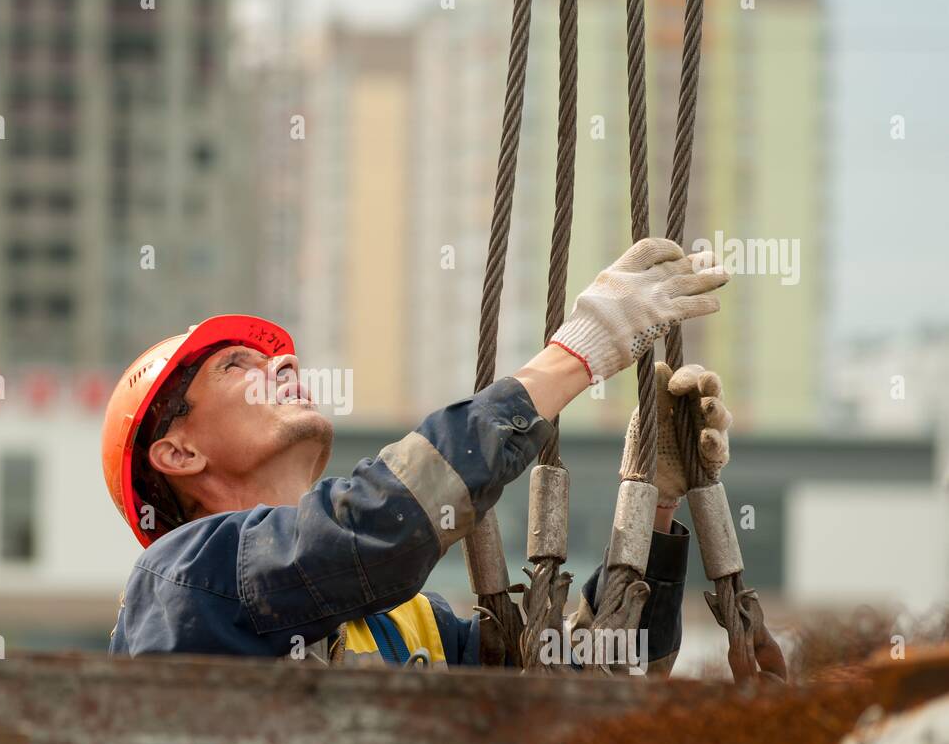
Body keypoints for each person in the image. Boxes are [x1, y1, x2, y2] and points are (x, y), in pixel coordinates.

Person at [103, 238, 732, 670]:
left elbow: (582, 694)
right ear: (178, 452)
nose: (284, 363)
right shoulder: (184, 579)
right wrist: (581, 351)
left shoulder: (410, 627)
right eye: (237, 365)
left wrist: (652, 505)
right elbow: (375, 522)